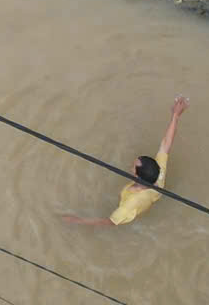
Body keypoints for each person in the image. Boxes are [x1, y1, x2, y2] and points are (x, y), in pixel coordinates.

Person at [62, 97, 185, 229]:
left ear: (137, 177)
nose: (130, 166)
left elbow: (110, 222)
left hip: (133, 207)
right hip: (150, 196)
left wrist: (77, 221)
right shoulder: (159, 174)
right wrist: (175, 116)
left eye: (133, 166)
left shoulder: (131, 203)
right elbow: (166, 144)